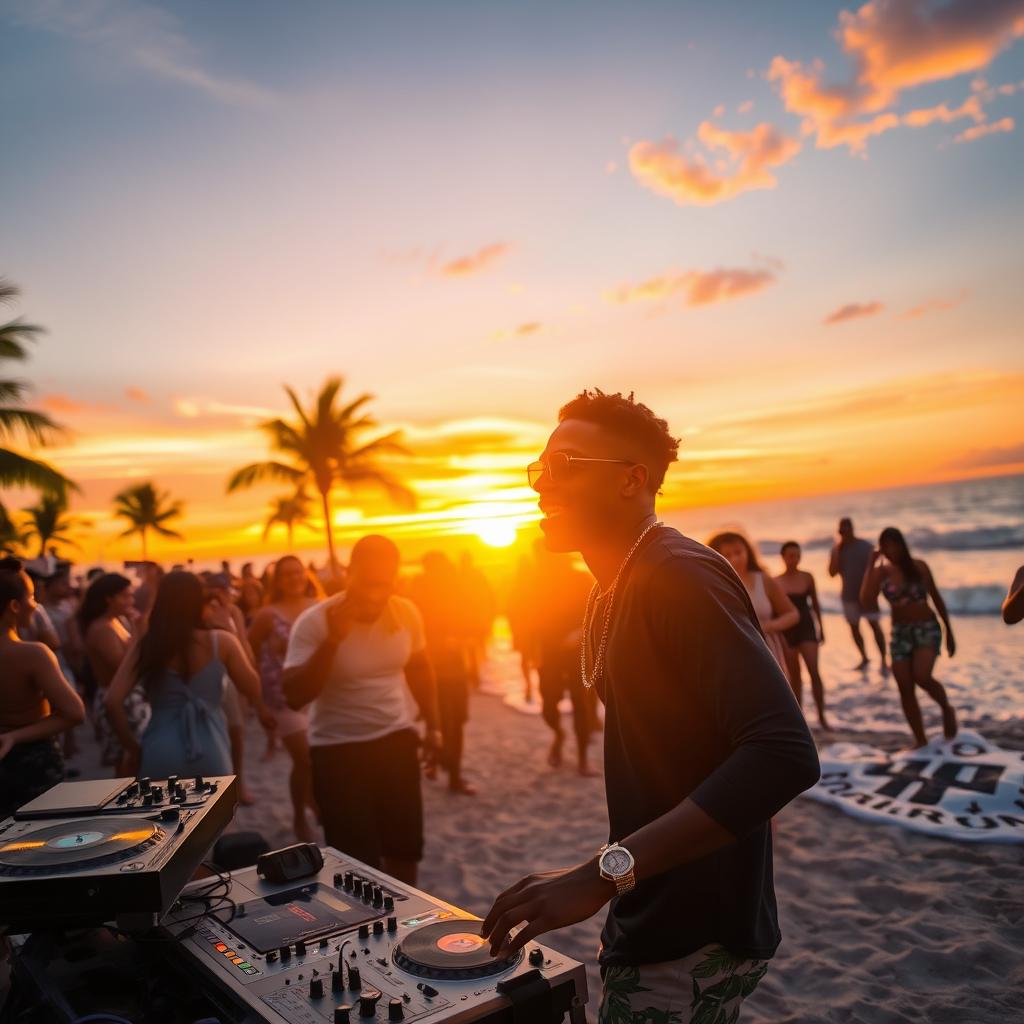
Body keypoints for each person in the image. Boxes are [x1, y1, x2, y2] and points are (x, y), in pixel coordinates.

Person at [483, 390, 819, 1023]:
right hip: (656, 905)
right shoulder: (617, 585)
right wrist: (613, 880)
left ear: (631, 480)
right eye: (539, 469)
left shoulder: (678, 575)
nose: (540, 485)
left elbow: (784, 754)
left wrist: (598, 875)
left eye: (564, 466)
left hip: (694, 928)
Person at [282, 535, 441, 885]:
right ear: (349, 573)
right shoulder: (315, 622)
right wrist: (334, 640)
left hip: (396, 742)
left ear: (395, 578)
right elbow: (294, 695)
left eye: (382, 584)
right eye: (367, 583)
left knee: (405, 849)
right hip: (338, 752)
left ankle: (405, 924)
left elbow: (419, 667)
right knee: (356, 860)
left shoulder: (405, 611)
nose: (374, 594)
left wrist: (434, 726)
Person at [105, 571, 274, 779]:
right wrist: (233, 632)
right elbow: (252, 687)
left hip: (159, 750)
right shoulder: (221, 641)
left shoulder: (148, 645)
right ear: (199, 601)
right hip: (211, 749)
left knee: (162, 812)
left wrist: (133, 748)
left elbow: (112, 702)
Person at [0, 560, 86, 819]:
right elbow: (74, 713)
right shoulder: (32, 654)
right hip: (32, 764)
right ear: (14, 606)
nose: (35, 605)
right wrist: (14, 736)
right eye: (31, 597)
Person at [861, 527, 957, 748]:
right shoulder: (880, 572)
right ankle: (920, 739)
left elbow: (937, 598)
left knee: (922, 676)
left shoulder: (919, 566)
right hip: (899, 632)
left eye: (894, 544)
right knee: (904, 685)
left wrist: (949, 632)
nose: (890, 549)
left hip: (926, 627)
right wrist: (870, 564)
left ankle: (946, 708)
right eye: (886, 545)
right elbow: (866, 601)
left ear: (902, 545)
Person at [248, 556, 322, 840]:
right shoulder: (268, 615)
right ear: (277, 581)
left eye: (298, 572)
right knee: (305, 759)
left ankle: (314, 803)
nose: (294, 578)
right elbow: (248, 652)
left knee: (317, 761)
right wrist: (258, 698)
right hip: (282, 698)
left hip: (318, 695)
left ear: (306, 575)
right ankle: (300, 815)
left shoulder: (318, 607)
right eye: (287, 574)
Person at [412, 552, 476, 795]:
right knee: (439, 724)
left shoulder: (456, 594)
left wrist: (463, 640)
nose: (441, 573)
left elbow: (473, 625)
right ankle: (450, 771)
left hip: (457, 671)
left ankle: (451, 770)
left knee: (457, 722)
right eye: (436, 569)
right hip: (430, 673)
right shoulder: (418, 598)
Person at [531, 540, 597, 776]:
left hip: (578, 653)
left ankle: (582, 759)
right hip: (548, 654)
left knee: (581, 705)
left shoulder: (580, 579)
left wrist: (580, 632)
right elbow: (522, 617)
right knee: (549, 706)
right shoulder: (534, 583)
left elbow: (598, 612)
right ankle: (558, 735)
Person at [79, 572, 146, 770]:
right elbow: (124, 667)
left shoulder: (116, 622)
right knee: (129, 762)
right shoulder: (102, 628)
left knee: (134, 763)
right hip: (118, 701)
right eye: (125, 596)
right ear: (109, 598)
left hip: (127, 698)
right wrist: (139, 631)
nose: (131, 600)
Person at [707, 532, 798, 671]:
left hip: (769, 651)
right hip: (735, 657)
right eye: (727, 555)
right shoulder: (714, 587)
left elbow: (792, 614)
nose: (735, 559)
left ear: (747, 551)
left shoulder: (763, 580)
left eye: (738, 552)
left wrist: (768, 626)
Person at [775, 542, 831, 731]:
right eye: (790, 555)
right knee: (794, 676)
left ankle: (822, 718)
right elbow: (776, 611)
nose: (794, 559)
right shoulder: (776, 581)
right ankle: (799, 720)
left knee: (814, 672)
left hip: (807, 627)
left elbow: (815, 604)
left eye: (797, 555)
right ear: (783, 557)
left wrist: (821, 628)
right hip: (788, 631)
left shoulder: (807, 577)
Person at [829, 517, 888, 672]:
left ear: (852, 529)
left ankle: (883, 660)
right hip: (848, 596)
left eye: (846, 529)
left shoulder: (866, 547)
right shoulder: (837, 550)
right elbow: (831, 573)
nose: (844, 533)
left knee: (874, 626)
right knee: (854, 628)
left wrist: (876, 590)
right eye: (841, 531)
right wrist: (836, 552)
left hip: (868, 596)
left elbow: (880, 569)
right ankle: (864, 658)